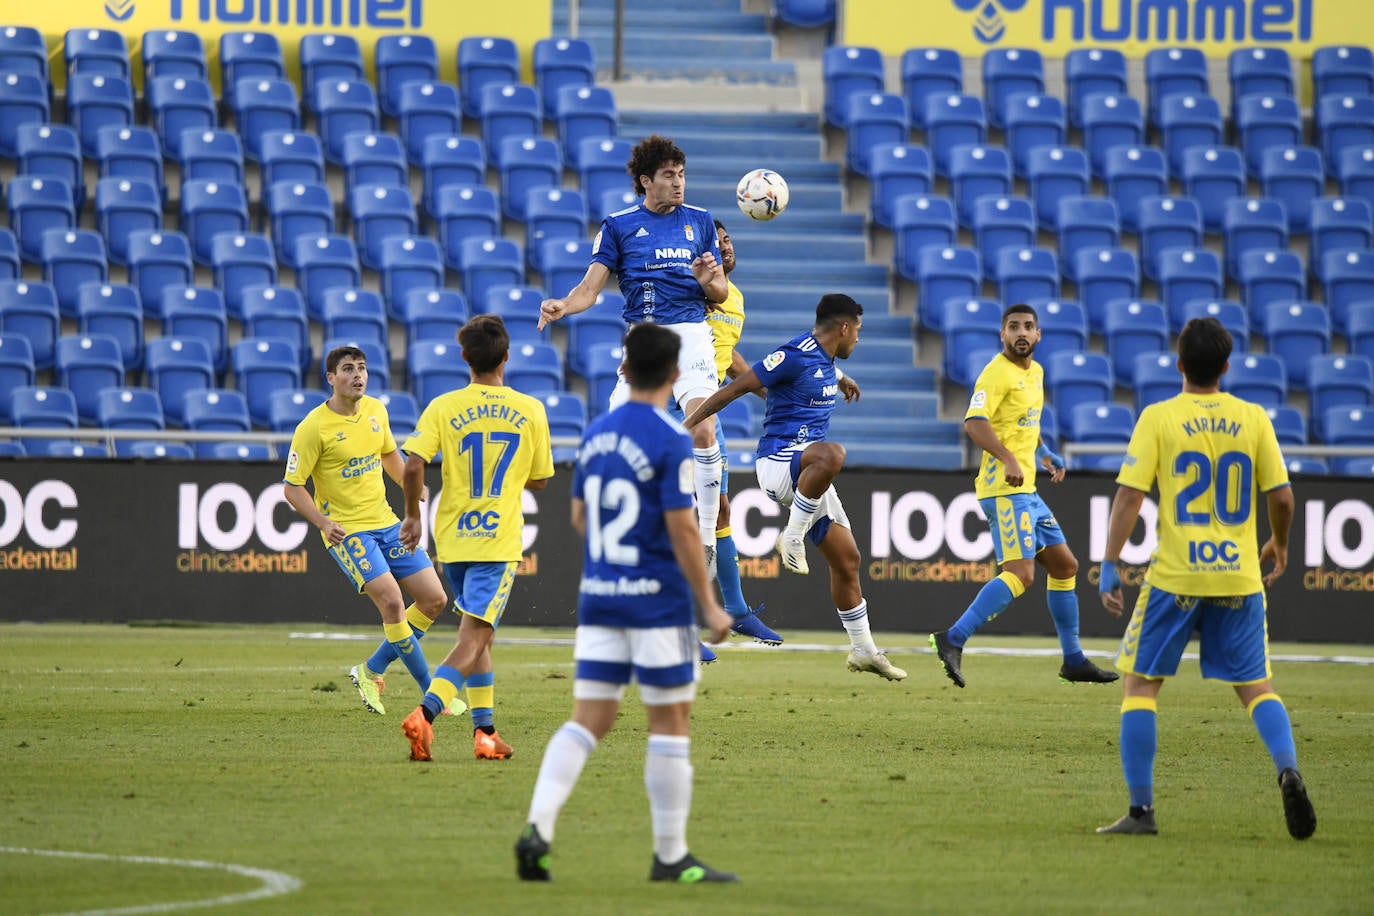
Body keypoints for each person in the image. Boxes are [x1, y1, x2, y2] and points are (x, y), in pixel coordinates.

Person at [515, 323, 736, 883]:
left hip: (600, 598)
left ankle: (538, 827)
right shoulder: (670, 436)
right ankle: (670, 857)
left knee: (589, 718)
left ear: (622, 368)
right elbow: (685, 529)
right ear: (673, 374)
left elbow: (580, 519)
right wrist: (709, 606)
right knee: (670, 720)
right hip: (656, 604)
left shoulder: (595, 433)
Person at [1096, 317, 1316, 839]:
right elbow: (1282, 497)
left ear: (1178, 365)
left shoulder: (1159, 417)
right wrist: (1279, 542)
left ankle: (1141, 811)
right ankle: (1287, 768)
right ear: (1225, 366)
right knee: (1256, 686)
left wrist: (1108, 563)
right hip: (1238, 578)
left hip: (1175, 576)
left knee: (1140, 686)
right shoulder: (1254, 416)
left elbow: (1130, 495)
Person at [683, 293, 907, 682]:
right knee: (834, 454)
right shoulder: (793, 355)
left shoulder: (825, 359)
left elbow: (823, 370)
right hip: (778, 464)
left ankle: (863, 651)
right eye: (858, 331)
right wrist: (685, 428)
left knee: (848, 559)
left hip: (806, 472)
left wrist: (842, 378)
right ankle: (792, 536)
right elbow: (732, 389)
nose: (858, 339)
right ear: (844, 328)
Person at [537, 134, 728, 581]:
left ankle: (704, 539)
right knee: (619, 437)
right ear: (646, 181)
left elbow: (720, 292)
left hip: (691, 332)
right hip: (643, 339)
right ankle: (622, 536)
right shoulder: (619, 225)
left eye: (681, 175)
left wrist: (706, 280)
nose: (678, 183)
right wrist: (563, 305)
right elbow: (589, 289)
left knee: (704, 425)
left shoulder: (700, 221)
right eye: (668, 176)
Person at [928, 303, 1118, 688]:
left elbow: (1024, 423)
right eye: (1013, 326)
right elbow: (974, 422)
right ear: (1002, 334)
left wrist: (1043, 453)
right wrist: (1007, 457)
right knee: (1020, 573)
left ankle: (1073, 659)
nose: (1021, 332)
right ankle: (952, 638)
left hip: (1027, 490)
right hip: (1003, 488)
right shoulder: (995, 373)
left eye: (1028, 327)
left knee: (1065, 566)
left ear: (1038, 335)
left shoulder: (1036, 374)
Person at [398, 315, 554, 762]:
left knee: (480, 636)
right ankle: (424, 716)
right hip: (497, 542)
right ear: (507, 357)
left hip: (452, 538)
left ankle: (485, 733)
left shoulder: (444, 406)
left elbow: (412, 465)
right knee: (473, 639)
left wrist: (412, 516)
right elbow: (541, 480)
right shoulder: (530, 409)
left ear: (465, 357)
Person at [282, 345, 447, 714]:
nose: (358, 375)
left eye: (362, 368)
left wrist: (410, 483)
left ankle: (370, 670)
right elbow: (292, 488)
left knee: (435, 600)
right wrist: (324, 523)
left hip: (387, 522)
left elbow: (388, 453)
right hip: (349, 532)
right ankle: (435, 695)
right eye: (347, 369)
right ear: (331, 378)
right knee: (392, 602)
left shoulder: (375, 410)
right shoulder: (312, 427)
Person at [690, 218, 785, 651]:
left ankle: (736, 611)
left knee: (721, 510)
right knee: (674, 516)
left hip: (711, 414)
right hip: (678, 410)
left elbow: (728, 360)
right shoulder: (694, 294)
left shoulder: (735, 299)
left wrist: (774, 397)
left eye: (728, 239)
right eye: (717, 242)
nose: (726, 246)